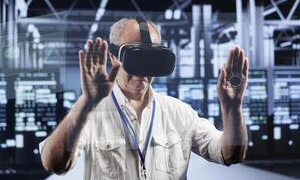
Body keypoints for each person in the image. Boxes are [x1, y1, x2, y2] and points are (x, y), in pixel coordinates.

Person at [39, 18, 248, 180]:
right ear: (113, 56)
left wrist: (232, 109)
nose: (142, 71)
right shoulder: (90, 114)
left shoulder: (179, 113)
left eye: (151, 59)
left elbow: (229, 154)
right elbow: (54, 164)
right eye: (135, 58)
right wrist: (86, 103)